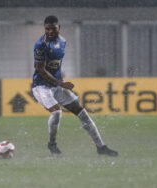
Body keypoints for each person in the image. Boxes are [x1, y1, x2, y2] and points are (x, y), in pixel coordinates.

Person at [32, 15, 118, 157]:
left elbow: (55, 64)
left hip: (57, 85)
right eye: (47, 29)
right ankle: (52, 145)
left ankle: (101, 147)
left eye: (53, 28)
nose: (50, 32)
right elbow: (41, 70)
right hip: (41, 86)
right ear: (44, 29)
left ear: (59, 27)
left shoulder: (62, 41)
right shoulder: (40, 45)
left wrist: (60, 81)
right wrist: (61, 83)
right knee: (56, 112)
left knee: (82, 112)